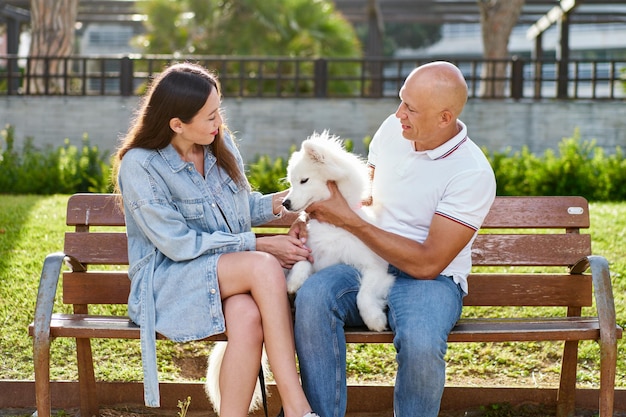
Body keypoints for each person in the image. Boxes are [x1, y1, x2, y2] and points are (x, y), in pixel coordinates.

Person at [112, 62, 318, 417]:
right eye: (209, 116)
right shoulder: (140, 165)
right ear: (177, 124)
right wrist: (257, 244)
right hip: (167, 284)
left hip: (220, 276)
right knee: (263, 265)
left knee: (247, 315)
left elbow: (241, 208)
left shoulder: (216, 145)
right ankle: (298, 407)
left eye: (218, 110)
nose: (219, 122)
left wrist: (301, 199)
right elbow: (177, 244)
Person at [292, 61, 497, 417]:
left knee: (420, 341)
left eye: (411, 109)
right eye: (402, 101)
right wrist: (310, 215)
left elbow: (427, 263)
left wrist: (354, 225)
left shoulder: (472, 172)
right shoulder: (392, 130)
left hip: (430, 280)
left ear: (444, 117)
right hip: (363, 260)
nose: (399, 113)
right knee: (312, 298)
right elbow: (361, 196)